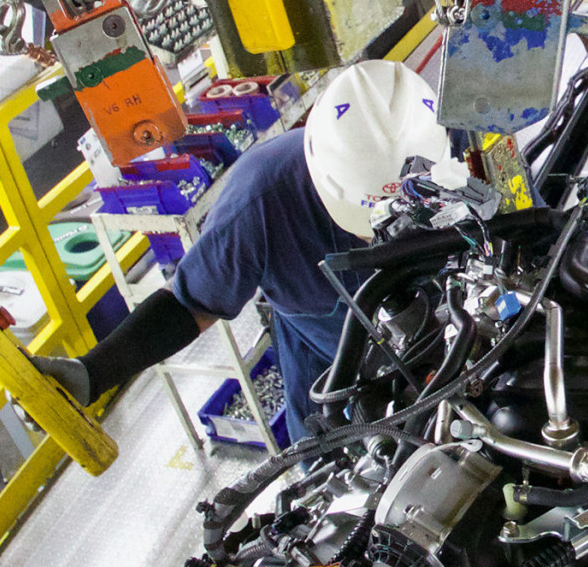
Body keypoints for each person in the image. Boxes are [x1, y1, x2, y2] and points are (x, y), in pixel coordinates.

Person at [31, 60, 450, 433]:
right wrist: (93, 372)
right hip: (338, 386)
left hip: (452, 342)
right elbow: (189, 306)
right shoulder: (260, 200)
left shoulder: (444, 143)